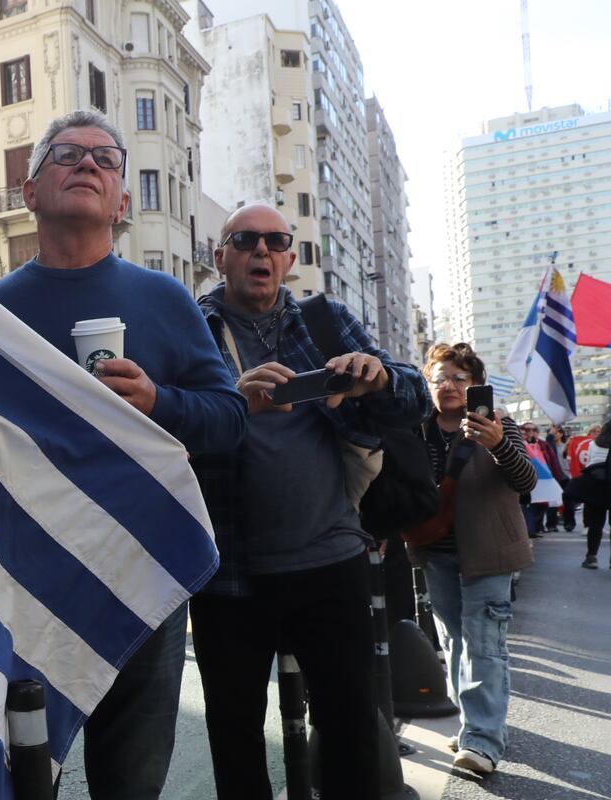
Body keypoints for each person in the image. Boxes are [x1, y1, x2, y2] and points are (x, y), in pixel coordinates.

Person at [0, 110, 247, 799]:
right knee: (19, 774)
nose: (88, 164)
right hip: (23, 579)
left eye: (106, 159)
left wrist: (159, 401)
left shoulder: (164, 299)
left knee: (130, 783)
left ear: (123, 201)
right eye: (66, 154)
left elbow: (229, 420)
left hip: (143, 572)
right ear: (30, 192)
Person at [188, 202, 431, 800]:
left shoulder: (325, 319)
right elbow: (164, 423)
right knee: (235, 735)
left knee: (350, 725)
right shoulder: (191, 327)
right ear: (220, 257)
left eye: (275, 242)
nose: (261, 251)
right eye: (245, 240)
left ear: (290, 259)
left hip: (331, 560)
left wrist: (378, 378)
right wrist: (231, 401)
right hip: (226, 572)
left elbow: (416, 399)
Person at [408, 343, 536, 776]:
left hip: (489, 551)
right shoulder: (418, 429)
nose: (449, 385)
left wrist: (499, 444)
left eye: (459, 378)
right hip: (435, 552)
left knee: (483, 643)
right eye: (439, 378)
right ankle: (472, 725)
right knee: (453, 641)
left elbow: (525, 480)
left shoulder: (499, 423)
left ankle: (482, 740)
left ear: (477, 385)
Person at [580, 422, 610, 568]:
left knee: (596, 524)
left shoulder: (593, 443)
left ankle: (591, 557)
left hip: (596, 483)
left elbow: (590, 462)